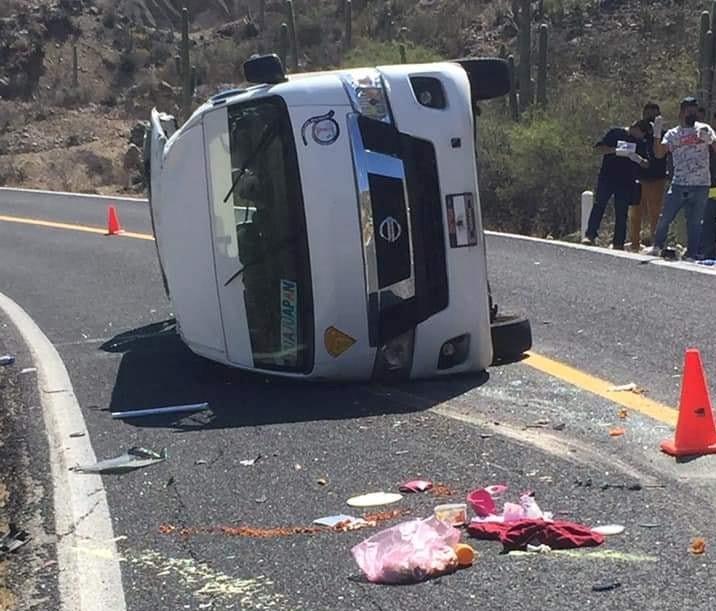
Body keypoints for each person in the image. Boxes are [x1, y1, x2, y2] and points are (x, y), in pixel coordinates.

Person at [648, 97, 716, 260]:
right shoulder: (673, 134)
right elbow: (659, 153)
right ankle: (657, 246)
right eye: (688, 110)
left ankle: (691, 253)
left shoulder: (705, 129)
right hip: (679, 183)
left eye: (694, 110)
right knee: (666, 218)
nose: (691, 113)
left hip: (701, 184)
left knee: (694, 222)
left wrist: (710, 140)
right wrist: (657, 134)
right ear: (681, 112)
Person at [582, 120, 650, 249]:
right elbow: (597, 149)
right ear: (636, 128)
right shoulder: (615, 133)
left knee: (621, 212)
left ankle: (618, 243)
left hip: (626, 181)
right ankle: (590, 235)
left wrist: (638, 159)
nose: (642, 137)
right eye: (642, 133)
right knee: (599, 205)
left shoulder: (640, 143)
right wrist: (616, 150)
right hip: (607, 177)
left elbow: (646, 164)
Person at [629, 103, 669, 251]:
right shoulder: (636, 134)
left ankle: (656, 243)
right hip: (638, 178)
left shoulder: (663, 135)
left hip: (657, 178)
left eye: (654, 114)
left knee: (655, 213)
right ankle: (634, 243)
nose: (651, 117)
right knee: (636, 213)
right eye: (648, 114)